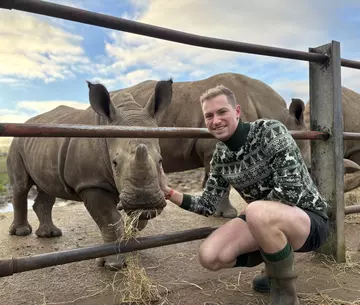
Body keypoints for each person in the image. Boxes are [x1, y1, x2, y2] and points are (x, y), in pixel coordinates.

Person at [158, 85, 330, 305]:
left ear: (237, 111)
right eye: (209, 116)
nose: (215, 120)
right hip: (263, 219)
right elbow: (208, 204)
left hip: (309, 221)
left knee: (256, 210)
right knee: (210, 255)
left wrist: (252, 211)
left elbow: (291, 189)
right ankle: (274, 262)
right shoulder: (220, 156)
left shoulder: (270, 131)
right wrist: (169, 192)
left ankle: (285, 294)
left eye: (222, 112)